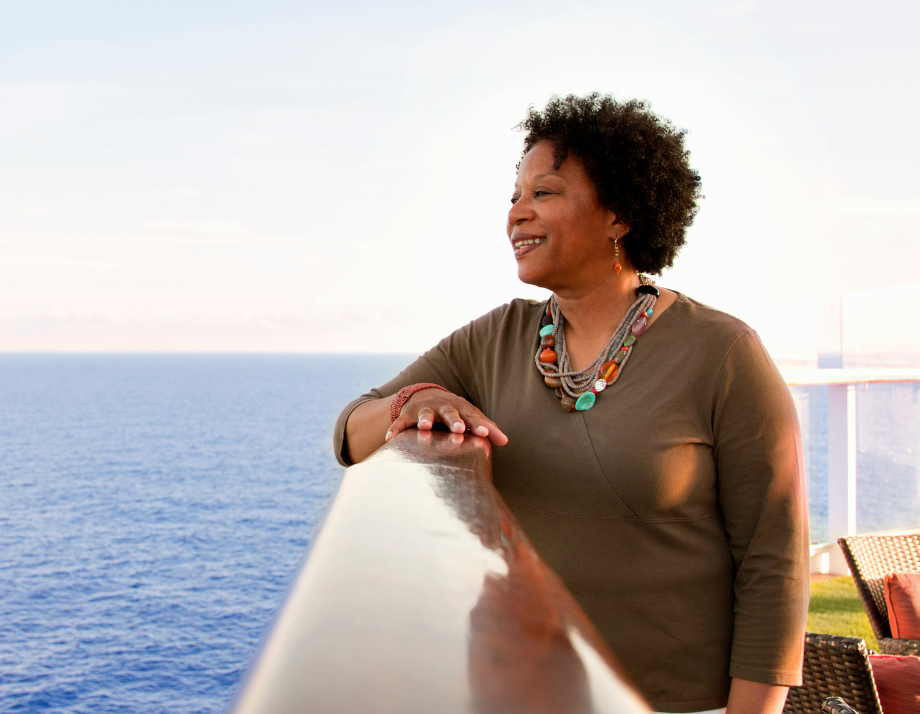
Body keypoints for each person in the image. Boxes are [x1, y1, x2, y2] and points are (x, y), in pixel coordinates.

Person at [333, 94, 807, 714]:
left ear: (620, 215)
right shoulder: (496, 338)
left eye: (544, 193)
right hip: (515, 690)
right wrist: (421, 396)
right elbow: (351, 433)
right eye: (513, 196)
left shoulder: (722, 353)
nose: (516, 215)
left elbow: (774, 561)